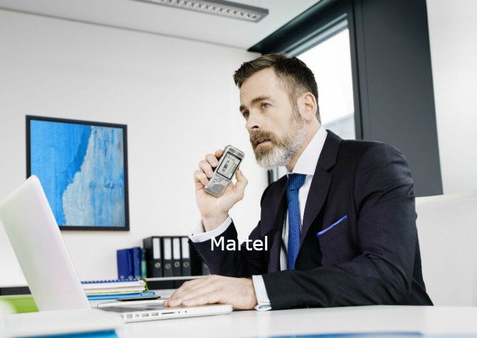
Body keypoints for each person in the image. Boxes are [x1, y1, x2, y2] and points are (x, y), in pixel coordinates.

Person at [165, 53, 432, 310]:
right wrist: (214, 216)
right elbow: (241, 281)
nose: (251, 123)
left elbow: (387, 276)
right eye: (246, 113)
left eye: (264, 106)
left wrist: (257, 291)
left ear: (307, 106)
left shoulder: (372, 163)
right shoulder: (275, 195)